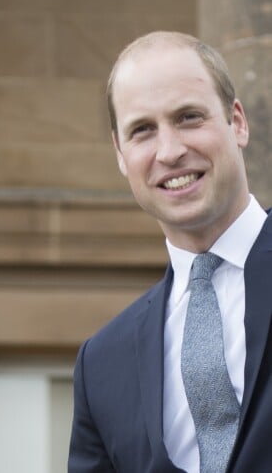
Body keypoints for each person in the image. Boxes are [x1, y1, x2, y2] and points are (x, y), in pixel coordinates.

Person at [68, 31, 272, 472]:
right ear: (121, 155)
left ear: (237, 121)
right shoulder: (101, 364)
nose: (170, 150)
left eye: (189, 117)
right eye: (142, 130)